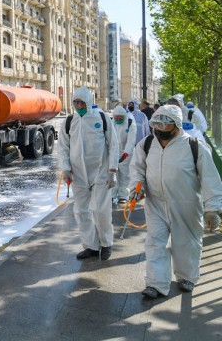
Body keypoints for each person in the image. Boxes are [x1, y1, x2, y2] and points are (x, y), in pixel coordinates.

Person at [129, 105, 222, 299]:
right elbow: (137, 168)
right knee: (155, 243)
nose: (160, 129)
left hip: (186, 204)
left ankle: (187, 277)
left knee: (187, 242)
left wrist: (212, 208)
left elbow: (210, 178)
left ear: (177, 125)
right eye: (157, 124)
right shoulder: (146, 144)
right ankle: (156, 283)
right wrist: (136, 187)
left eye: (165, 125)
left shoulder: (194, 146)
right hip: (156, 204)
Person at [59, 87, 119, 261]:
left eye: (81, 103)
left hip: (101, 172)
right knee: (81, 211)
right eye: (75, 103)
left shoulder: (102, 118)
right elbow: (63, 147)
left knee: (101, 210)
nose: (78, 106)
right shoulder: (69, 121)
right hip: (78, 174)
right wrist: (66, 169)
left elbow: (113, 145)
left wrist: (112, 170)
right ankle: (91, 245)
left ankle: (106, 243)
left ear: (89, 102)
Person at [112, 105, 137, 204]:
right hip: (114, 152)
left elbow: (131, 140)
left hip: (126, 153)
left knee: (124, 175)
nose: (118, 119)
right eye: (116, 117)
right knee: (112, 174)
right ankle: (111, 195)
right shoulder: (111, 123)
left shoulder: (130, 123)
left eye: (120, 118)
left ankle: (123, 195)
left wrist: (126, 153)